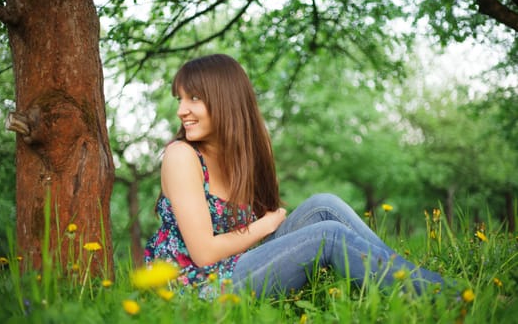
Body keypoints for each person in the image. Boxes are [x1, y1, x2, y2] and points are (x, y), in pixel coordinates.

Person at [144, 53, 444, 298]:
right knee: (329, 235)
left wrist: (266, 226)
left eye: (194, 98)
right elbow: (205, 253)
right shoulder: (181, 155)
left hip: (234, 266)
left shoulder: (245, 154)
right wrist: (267, 224)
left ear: (225, 100)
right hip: (195, 286)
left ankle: (406, 276)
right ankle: (444, 295)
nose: (182, 110)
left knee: (324, 205)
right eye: (179, 99)